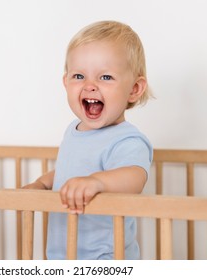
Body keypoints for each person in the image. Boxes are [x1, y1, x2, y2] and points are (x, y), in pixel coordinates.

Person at [23, 20, 153, 260]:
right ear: (66, 83)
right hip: (63, 254)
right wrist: (43, 183)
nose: (90, 86)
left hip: (105, 259)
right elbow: (68, 169)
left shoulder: (127, 140)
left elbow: (134, 177)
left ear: (134, 89)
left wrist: (97, 182)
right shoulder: (74, 130)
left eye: (105, 77)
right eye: (79, 76)